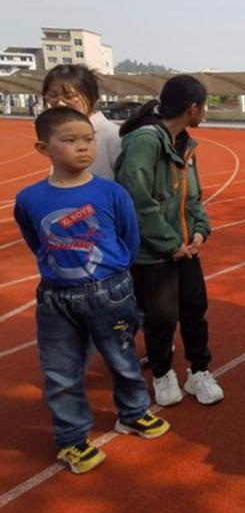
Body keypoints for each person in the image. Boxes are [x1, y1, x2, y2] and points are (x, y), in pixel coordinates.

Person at [13, 107, 169, 475]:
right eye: (70, 140)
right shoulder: (29, 199)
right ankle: (71, 438)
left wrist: (114, 272)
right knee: (61, 371)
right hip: (56, 298)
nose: (83, 147)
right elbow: (35, 239)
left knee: (123, 359)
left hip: (110, 292)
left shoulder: (111, 192)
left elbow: (129, 238)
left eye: (88, 139)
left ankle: (132, 413)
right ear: (43, 148)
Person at [115, 75, 223, 408]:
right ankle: (162, 373)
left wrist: (200, 231)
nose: (204, 113)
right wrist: (171, 243)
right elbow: (137, 200)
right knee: (160, 318)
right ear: (193, 108)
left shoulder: (186, 145)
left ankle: (199, 371)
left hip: (187, 249)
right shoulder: (145, 142)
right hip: (154, 254)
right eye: (204, 106)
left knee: (195, 310)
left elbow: (194, 198)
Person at [42, 65, 122, 180]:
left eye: (69, 96)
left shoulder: (113, 136)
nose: (60, 103)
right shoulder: (56, 134)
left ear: (92, 96)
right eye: (53, 95)